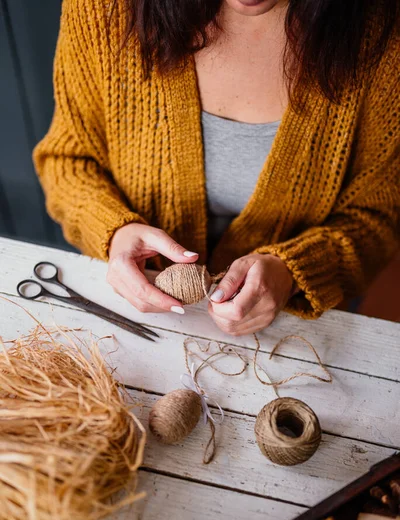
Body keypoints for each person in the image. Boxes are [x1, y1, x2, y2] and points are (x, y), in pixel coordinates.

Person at [34, 0, 399, 336]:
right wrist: (114, 231)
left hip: (295, 324)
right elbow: (68, 161)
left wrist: (295, 271)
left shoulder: (383, 36)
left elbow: (379, 215)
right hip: (129, 309)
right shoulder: (106, 10)